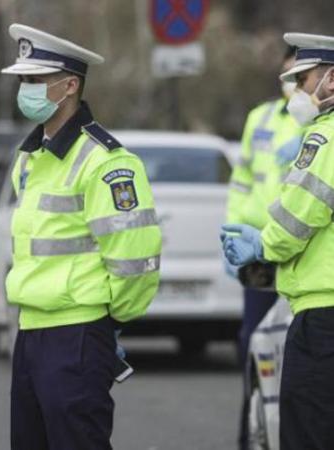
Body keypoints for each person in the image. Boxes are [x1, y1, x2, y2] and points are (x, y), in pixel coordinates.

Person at [1, 24, 162, 450]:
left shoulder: (106, 162)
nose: (25, 89)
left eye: (36, 79)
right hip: (31, 330)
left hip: (77, 335)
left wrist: (109, 323)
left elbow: (134, 258)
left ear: (70, 85)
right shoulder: (31, 158)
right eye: (23, 79)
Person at [222, 32, 334, 450]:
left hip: (323, 311)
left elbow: (297, 218)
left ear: (332, 80)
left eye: (303, 80)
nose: (296, 91)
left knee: (307, 431)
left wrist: (262, 244)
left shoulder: (325, 136)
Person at [224, 45, 303, 450]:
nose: (293, 84)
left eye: (300, 75)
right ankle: (250, 437)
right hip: (259, 254)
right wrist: (235, 233)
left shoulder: (319, 122)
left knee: (298, 347)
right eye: (288, 75)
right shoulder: (261, 118)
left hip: (301, 251)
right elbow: (241, 180)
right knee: (254, 344)